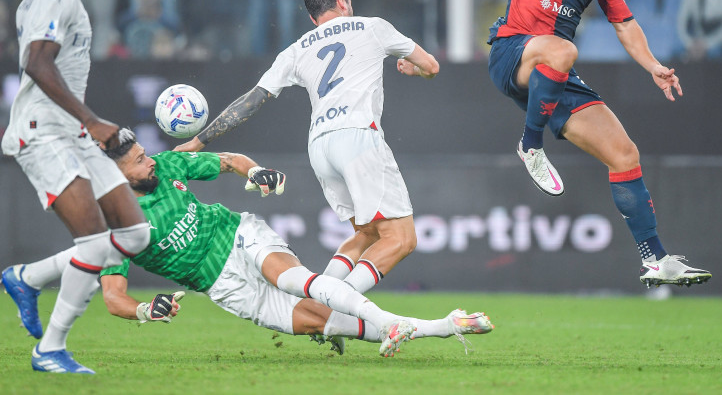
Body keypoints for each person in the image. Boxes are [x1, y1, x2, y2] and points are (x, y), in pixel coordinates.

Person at [3, 129, 493, 359]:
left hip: (238, 236)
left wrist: (256, 171)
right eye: (136, 161)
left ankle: (412, 325)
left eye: (143, 152)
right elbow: (112, 298)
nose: (148, 161)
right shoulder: (114, 228)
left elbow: (230, 160)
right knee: (324, 320)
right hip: (224, 288)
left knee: (298, 280)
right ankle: (439, 327)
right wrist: (145, 311)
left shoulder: (168, 165)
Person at [450, 0, 712, 288]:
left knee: (624, 154)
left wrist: (654, 66)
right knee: (562, 47)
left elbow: (624, 24)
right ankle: (530, 146)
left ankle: (655, 259)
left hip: (555, 71)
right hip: (513, 52)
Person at [174, 0, 439, 295]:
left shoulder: (297, 49)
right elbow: (431, 66)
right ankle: (335, 307)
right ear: (343, 2)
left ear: (312, 19)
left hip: (320, 145)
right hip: (357, 136)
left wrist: (198, 141)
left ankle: (317, 301)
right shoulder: (372, 27)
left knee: (366, 232)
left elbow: (251, 101)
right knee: (401, 238)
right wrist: (414, 70)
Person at [0, 0, 151, 374]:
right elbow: (37, 64)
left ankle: (26, 278)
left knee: (134, 234)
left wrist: (88, 125)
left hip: (72, 131)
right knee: (94, 245)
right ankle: (50, 350)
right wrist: (94, 120)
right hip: (43, 132)